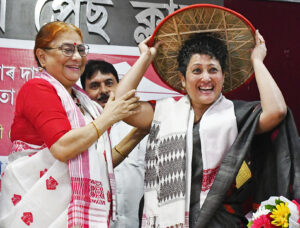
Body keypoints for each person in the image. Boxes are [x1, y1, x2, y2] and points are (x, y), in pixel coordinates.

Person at [114, 27, 300, 228]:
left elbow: (277, 111)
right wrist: (146, 58)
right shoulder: (164, 113)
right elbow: (122, 105)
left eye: (213, 70)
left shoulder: (236, 115)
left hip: (223, 223)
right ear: (183, 80)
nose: (206, 78)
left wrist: (257, 61)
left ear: (223, 77)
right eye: (196, 70)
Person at [0, 21, 141, 228]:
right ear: (42, 56)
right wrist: (108, 117)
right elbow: (62, 147)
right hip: (37, 212)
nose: (77, 57)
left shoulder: (81, 102)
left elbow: (101, 161)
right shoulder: (37, 88)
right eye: (67, 49)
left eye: (80, 49)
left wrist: (138, 134)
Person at [80, 59, 148, 228]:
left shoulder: (140, 124)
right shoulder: (80, 130)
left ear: (119, 86)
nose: (103, 91)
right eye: (94, 85)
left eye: (109, 83)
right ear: (84, 92)